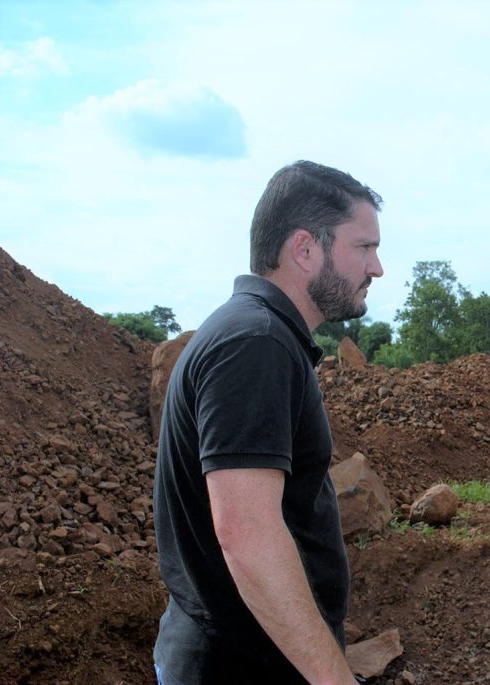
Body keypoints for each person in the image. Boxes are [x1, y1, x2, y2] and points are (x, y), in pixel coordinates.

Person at [152, 160, 383, 685]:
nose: (376, 268)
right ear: (304, 249)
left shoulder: (255, 333)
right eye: (364, 248)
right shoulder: (255, 344)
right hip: (240, 666)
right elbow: (247, 533)